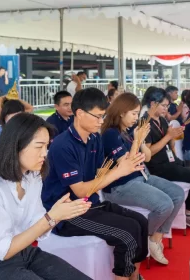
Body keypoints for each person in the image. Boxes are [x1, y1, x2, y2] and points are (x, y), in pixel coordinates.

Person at [42, 88, 148, 280]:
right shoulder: (62, 145)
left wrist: (125, 164)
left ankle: (135, 276)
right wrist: (118, 171)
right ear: (80, 113)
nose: (101, 122)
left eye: (103, 116)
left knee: (141, 222)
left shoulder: (94, 138)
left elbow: (100, 173)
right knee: (127, 233)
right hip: (67, 212)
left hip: (90, 203)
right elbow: (80, 189)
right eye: (98, 117)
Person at [0, 113, 92, 280]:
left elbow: (35, 222)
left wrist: (59, 214)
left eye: (47, 146)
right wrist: (52, 217)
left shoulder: (32, 176)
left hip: (24, 252)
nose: (45, 153)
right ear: (16, 145)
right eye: (39, 146)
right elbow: (3, 251)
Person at [101, 93, 184, 265]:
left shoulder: (127, 131)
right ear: (121, 112)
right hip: (120, 186)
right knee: (164, 204)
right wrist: (137, 142)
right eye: (133, 113)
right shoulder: (110, 134)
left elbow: (146, 157)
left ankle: (154, 239)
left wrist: (139, 141)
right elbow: (127, 165)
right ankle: (144, 239)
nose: (136, 118)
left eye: (138, 114)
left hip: (141, 175)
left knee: (177, 193)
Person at [143, 88, 190, 229]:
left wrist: (172, 138)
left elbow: (169, 144)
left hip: (174, 161)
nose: (166, 109)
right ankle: (189, 214)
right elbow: (148, 154)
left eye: (167, 106)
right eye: (164, 106)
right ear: (153, 104)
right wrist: (168, 137)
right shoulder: (145, 124)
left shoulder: (162, 120)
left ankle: (188, 209)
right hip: (160, 168)